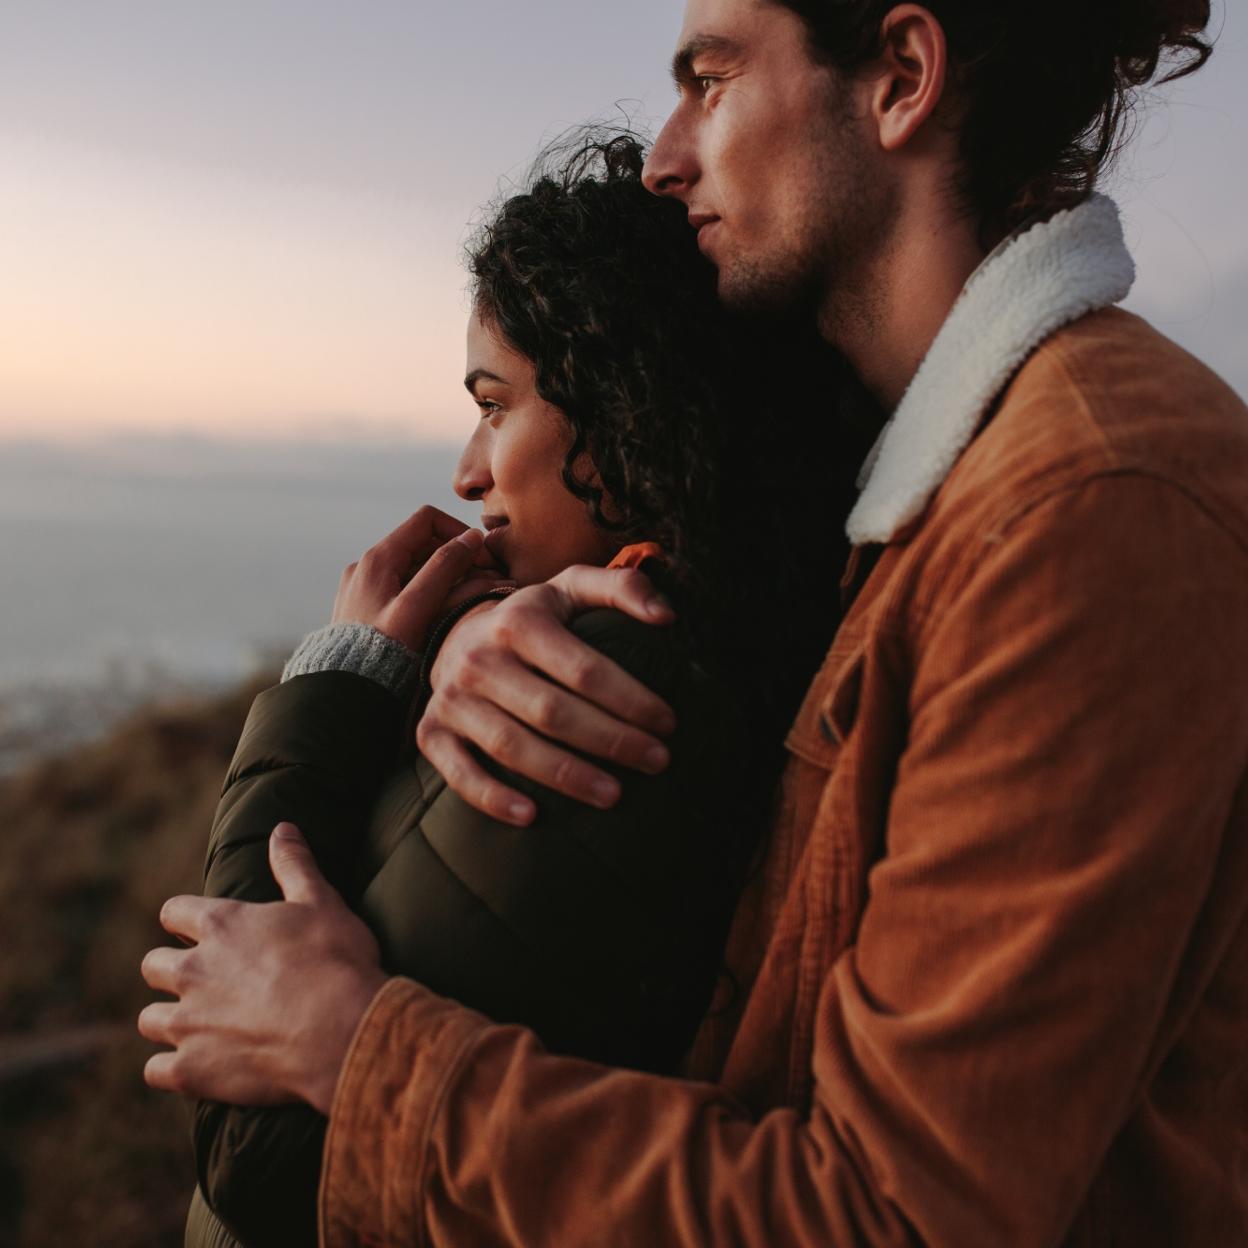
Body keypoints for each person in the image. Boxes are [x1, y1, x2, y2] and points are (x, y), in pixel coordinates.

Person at [140, 2, 1248, 1244]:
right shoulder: (920, 489)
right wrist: (490, 628)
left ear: (901, 77)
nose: (668, 158)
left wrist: (360, 1057)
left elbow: (893, 1218)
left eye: (711, 81)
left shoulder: (1088, 509)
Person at [178, 135, 871, 1248]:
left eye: (496, 405)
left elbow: (253, 1161)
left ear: (629, 408)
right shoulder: (660, 635)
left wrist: (334, 681)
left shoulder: (605, 685)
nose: (466, 470)